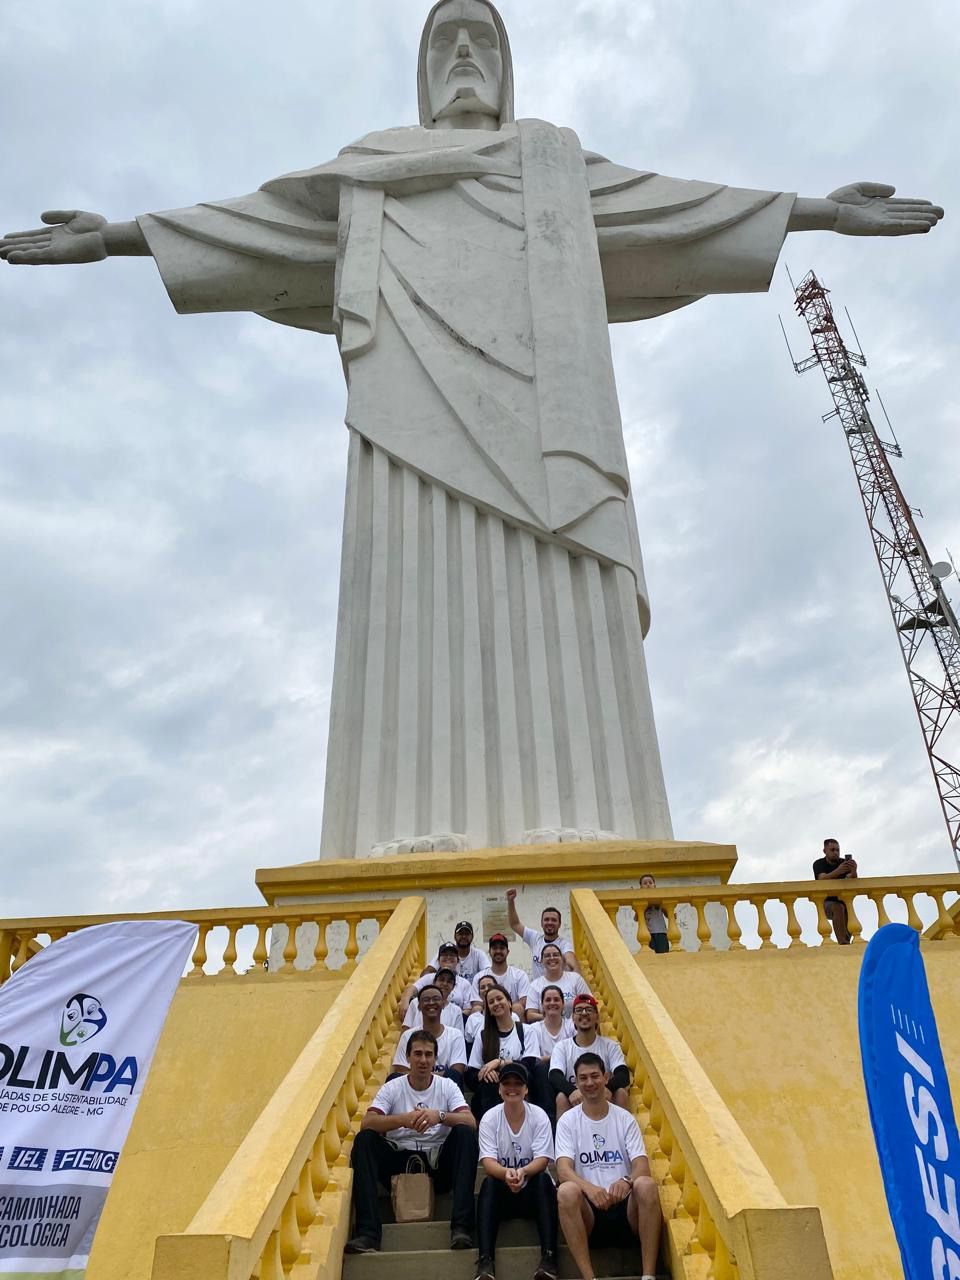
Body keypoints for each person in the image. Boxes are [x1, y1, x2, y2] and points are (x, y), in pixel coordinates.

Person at [2, 3, 943, 862]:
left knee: (557, 608)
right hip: (407, 425)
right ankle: (398, 834)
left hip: (548, 431)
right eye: (444, 38)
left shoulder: (551, 164)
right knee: (415, 602)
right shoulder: (369, 170)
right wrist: (115, 237)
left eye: (482, 39)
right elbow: (257, 229)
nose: (462, 52)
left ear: (504, 68)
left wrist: (822, 214)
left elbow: (683, 210)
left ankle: (595, 828)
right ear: (421, 72)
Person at [346, 1029, 478, 1254]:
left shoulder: (447, 1086)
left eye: (428, 1055)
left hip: (438, 1163)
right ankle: (368, 1234)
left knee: (465, 1134)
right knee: (365, 1140)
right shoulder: (393, 1087)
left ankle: (462, 1228)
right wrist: (402, 1120)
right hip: (399, 1163)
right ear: (407, 1058)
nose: (423, 1060)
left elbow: (471, 1121)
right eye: (417, 1054)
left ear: (436, 1059)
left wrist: (441, 1116)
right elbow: (367, 1122)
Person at [555, 1053, 661, 1280]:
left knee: (646, 1185)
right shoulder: (568, 1120)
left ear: (605, 1077)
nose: (590, 1083)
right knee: (566, 1191)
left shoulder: (624, 1118)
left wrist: (626, 1181)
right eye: (583, 1078)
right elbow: (563, 1170)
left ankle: (649, 1275)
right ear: (576, 1081)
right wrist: (591, 1190)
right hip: (590, 1214)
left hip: (626, 1208)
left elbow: (642, 1165)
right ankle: (588, 1276)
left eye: (595, 1076)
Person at [476, 1062, 559, 1280]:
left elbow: (543, 1159)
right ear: (499, 1088)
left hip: (532, 1189)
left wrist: (522, 1172)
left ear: (526, 1089)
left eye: (518, 1084)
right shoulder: (490, 1118)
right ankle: (485, 1261)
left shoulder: (539, 1116)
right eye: (507, 1083)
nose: (512, 1088)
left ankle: (549, 1258)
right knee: (488, 1184)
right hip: (504, 1189)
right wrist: (506, 1174)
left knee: (543, 1181)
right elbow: (488, 1161)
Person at [549, 995, 630, 1118]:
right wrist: (572, 1091)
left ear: (597, 1017)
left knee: (621, 1093)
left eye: (589, 1009)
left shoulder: (610, 1046)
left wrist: (607, 1088)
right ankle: (563, 1137)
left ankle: (624, 1134)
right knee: (561, 1097)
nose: (584, 1013)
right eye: (579, 1010)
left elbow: (623, 1074)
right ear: (573, 1018)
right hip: (577, 1100)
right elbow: (554, 1075)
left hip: (603, 1098)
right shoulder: (562, 1046)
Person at [466, 983, 532, 1119]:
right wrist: (485, 1073)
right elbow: (471, 1075)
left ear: (509, 1002)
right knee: (490, 1083)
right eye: (491, 1002)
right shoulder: (483, 1035)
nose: (496, 1003)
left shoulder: (526, 1030)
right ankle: (489, 1126)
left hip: (520, 1082)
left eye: (499, 999)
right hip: (492, 1090)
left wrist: (499, 1062)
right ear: (488, 1009)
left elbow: (529, 1065)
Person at [393, 985, 467, 1082]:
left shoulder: (455, 1035)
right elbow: (400, 1070)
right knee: (393, 1078)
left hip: (444, 1090)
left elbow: (457, 1071)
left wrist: (423, 1077)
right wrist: (431, 1077)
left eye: (436, 999)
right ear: (419, 1006)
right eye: (426, 1000)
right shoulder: (407, 1036)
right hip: (414, 1089)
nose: (431, 1003)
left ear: (443, 1004)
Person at [524, 984, 572, 1122]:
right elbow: (533, 1060)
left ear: (563, 1004)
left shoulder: (570, 1026)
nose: (552, 1003)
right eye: (548, 1000)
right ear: (542, 1005)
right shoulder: (533, 1029)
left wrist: (551, 1058)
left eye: (556, 1000)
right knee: (542, 1068)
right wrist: (558, 1058)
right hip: (542, 1080)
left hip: (567, 1075)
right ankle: (547, 1119)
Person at [506, 891, 579, 975]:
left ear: (559, 924)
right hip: (538, 988)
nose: (550, 922)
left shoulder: (564, 945)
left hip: (556, 988)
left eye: (554, 920)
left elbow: (573, 966)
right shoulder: (534, 938)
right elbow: (515, 924)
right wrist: (510, 901)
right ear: (541, 923)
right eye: (546, 919)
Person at [401, 945, 473, 1017]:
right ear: (438, 960)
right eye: (444, 954)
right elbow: (412, 989)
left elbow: (468, 1009)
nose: (448, 957)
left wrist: (451, 1017)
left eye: (452, 955)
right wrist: (405, 1002)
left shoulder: (465, 983)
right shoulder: (429, 978)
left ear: (458, 961)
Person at [525, 943, 592, 1021]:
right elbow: (530, 1015)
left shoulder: (575, 978)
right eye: (547, 956)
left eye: (555, 955)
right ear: (541, 961)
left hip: (575, 1028)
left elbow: (589, 1002)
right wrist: (552, 1017)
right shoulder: (535, 985)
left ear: (562, 959)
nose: (552, 958)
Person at [470, 933, 531, 1017]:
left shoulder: (519, 975)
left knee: (518, 1007)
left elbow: (524, 1001)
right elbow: (477, 1002)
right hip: (488, 1015)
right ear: (489, 951)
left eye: (502, 948)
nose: (498, 951)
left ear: (508, 951)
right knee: (476, 1010)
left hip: (511, 1016)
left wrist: (503, 1009)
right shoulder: (479, 977)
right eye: (494, 948)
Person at [813, 838, 858, 945]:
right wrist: (838, 871)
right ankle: (842, 943)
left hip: (845, 902)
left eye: (837, 850)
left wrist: (853, 871)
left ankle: (845, 943)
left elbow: (851, 879)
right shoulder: (819, 863)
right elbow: (822, 878)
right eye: (832, 850)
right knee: (838, 907)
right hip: (826, 902)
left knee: (847, 919)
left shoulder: (844, 863)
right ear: (825, 851)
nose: (835, 852)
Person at [404, 968, 466, 1033]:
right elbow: (405, 1030)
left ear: (453, 987)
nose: (445, 984)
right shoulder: (416, 1002)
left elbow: (459, 1036)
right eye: (441, 980)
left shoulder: (456, 1011)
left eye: (449, 982)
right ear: (434, 982)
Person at [422, 920, 488, 981]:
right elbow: (427, 972)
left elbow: (488, 974)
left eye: (467, 934)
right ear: (454, 936)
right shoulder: (444, 953)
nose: (464, 936)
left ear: (472, 937)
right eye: (460, 934)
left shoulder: (479, 954)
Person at [465, 974, 499, 1051]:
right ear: (479, 993)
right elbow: (469, 1043)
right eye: (482, 987)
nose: (486, 989)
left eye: (489, 985)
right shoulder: (472, 1019)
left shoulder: (510, 1016)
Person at [639, 874, 670, 954]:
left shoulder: (659, 899)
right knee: (651, 954)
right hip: (648, 934)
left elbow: (666, 912)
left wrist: (671, 915)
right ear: (641, 887)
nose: (648, 885)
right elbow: (637, 917)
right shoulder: (641, 902)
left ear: (655, 885)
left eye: (650, 882)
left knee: (663, 953)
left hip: (661, 932)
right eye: (645, 883)